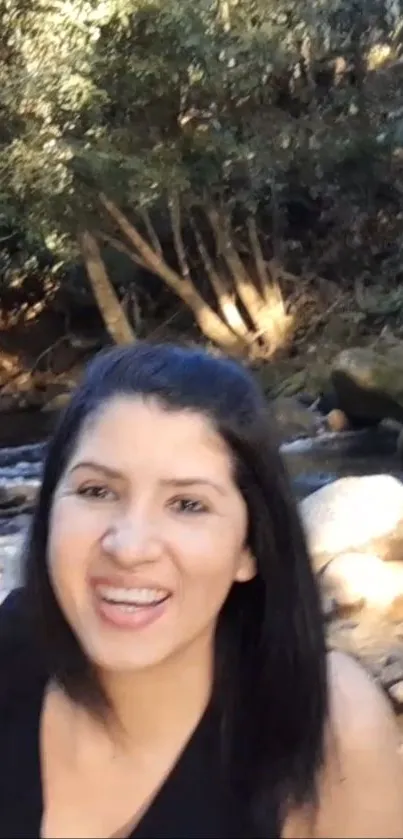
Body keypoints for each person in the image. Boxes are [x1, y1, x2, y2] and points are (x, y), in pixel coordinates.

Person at [0, 341, 402, 839]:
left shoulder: (326, 724)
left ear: (249, 548)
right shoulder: (11, 659)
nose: (129, 547)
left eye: (188, 504)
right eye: (96, 491)